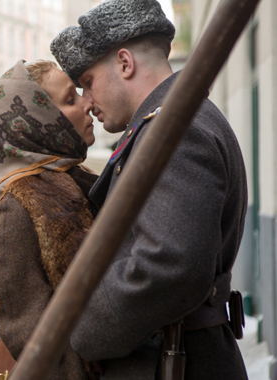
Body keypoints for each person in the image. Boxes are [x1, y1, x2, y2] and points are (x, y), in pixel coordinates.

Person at [50, 0, 248, 378]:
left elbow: (169, 265)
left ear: (125, 63)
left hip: (176, 361)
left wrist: (79, 331)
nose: (87, 103)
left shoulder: (174, 131)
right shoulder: (166, 124)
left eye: (88, 83)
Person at [0, 59, 99, 380]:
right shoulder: (16, 199)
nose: (87, 104)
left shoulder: (75, 176)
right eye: (70, 99)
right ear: (36, 120)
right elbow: (24, 324)